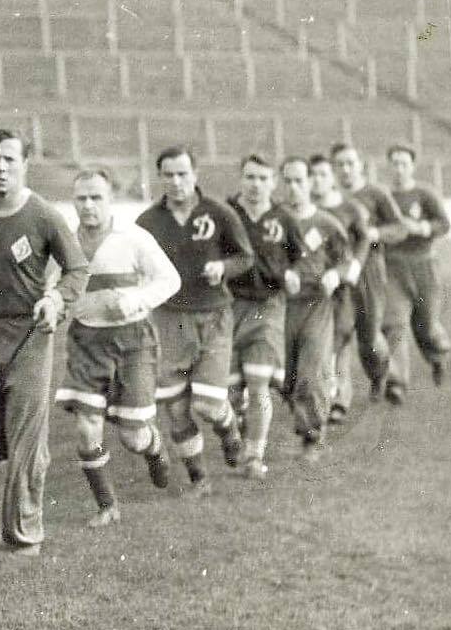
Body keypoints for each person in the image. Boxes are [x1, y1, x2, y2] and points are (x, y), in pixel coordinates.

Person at [0, 130, 88, 554]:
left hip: (28, 336)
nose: (1, 167)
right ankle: (11, 453)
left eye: (10, 159)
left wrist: (55, 298)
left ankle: (24, 533)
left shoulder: (43, 216)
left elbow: (76, 269)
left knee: (27, 440)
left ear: (25, 164)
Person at [53, 168, 180, 527]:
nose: (89, 205)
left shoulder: (133, 237)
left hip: (133, 341)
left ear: (111, 200)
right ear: (73, 200)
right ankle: (107, 506)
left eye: (97, 197)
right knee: (86, 427)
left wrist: (138, 298)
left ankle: (154, 447)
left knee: (133, 437)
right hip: (86, 342)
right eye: (82, 198)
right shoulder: (64, 242)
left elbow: (170, 279)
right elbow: (55, 286)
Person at [134, 147, 253, 496]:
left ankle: (229, 428)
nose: (177, 181)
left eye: (183, 173)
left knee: (208, 404)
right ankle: (199, 478)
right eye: (169, 174)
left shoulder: (219, 213)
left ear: (195, 174)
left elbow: (245, 256)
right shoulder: (148, 222)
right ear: (160, 177)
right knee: (176, 408)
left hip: (213, 315)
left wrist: (224, 268)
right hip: (168, 320)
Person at [226, 154, 305, 479]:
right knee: (229, 390)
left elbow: (300, 258)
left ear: (273, 183)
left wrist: (293, 275)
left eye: (262, 178)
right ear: (240, 179)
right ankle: (236, 426)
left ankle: (254, 456)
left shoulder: (283, 218)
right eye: (250, 177)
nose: (256, 184)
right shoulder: (226, 214)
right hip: (229, 307)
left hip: (269, 306)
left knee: (258, 384)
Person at [277, 155, 353, 460]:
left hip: (316, 306)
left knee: (312, 373)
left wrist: (336, 273)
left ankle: (312, 436)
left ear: (311, 183)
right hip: (281, 306)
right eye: (288, 181)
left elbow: (346, 259)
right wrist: (282, 275)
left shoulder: (326, 223)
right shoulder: (275, 222)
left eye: (300, 181)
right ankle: (304, 417)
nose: (294, 187)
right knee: (286, 378)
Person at [330, 142, 403, 400]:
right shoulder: (329, 196)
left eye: (350, 163)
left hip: (369, 269)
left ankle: (384, 375)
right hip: (336, 270)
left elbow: (399, 228)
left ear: (360, 165)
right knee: (338, 333)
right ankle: (339, 397)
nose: (345, 169)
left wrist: (376, 233)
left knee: (369, 336)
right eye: (339, 164)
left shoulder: (376, 193)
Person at [382, 143, 451, 396]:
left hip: (424, 264)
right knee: (394, 323)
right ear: (388, 165)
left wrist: (423, 228)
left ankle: (437, 356)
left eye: (404, 163)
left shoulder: (425, 193)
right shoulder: (384, 197)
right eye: (395, 162)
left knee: (426, 325)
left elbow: (444, 224)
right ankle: (397, 382)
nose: (399, 168)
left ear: (412, 166)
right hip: (392, 267)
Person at [308, 154, 372, 425]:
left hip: (344, 286)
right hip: (311, 290)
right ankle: (324, 394)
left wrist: (353, 266)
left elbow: (364, 239)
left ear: (332, 177)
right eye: (313, 175)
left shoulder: (349, 209)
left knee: (340, 339)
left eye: (323, 174)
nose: (318, 180)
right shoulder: (303, 210)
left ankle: (339, 399)